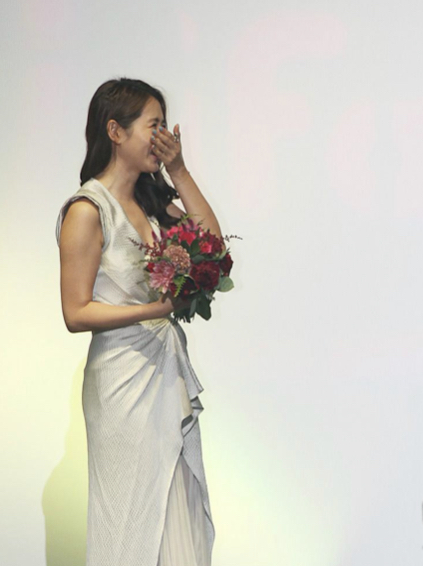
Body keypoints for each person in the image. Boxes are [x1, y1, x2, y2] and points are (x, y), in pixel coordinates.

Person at [57, 78, 221, 566]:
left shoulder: (151, 203)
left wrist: (180, 171)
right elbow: (76, 312)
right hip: (121, 383)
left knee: (175, 502)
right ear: (115, 131)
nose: (161, 137)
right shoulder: (88, 209)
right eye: (153, 125)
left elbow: (214, 250)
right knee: (129, 516)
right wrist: (154, 310)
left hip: (163, 374)